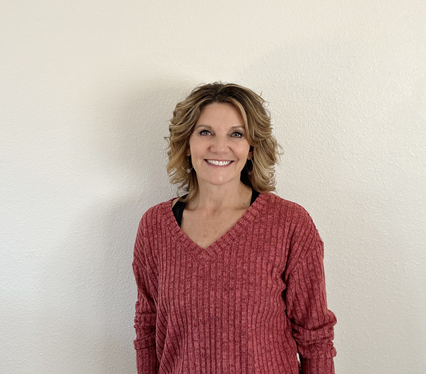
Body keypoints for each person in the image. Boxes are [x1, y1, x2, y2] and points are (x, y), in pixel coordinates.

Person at [132, 82, 337, 374]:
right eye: (205, 132)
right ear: (186, 143)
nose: (219, 147)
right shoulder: (155, 227)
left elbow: (315, 337)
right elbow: (148, 329)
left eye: (236, 134)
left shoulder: (289, 224)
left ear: (252, 148)